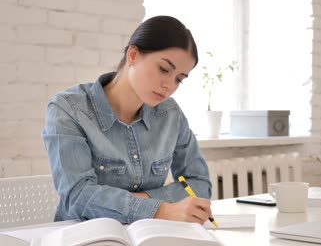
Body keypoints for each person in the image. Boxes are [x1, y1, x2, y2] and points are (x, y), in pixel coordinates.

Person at [41, 16, 213, 225]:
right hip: (84, 235)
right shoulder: (69, 109)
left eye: (179, 79)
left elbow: (200, 184)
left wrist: (143, 203)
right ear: (133, 55)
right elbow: (78, 196)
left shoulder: (170, 114)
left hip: (149, 235)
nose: (169, 85)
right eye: (164, 69)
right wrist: (161, 210)